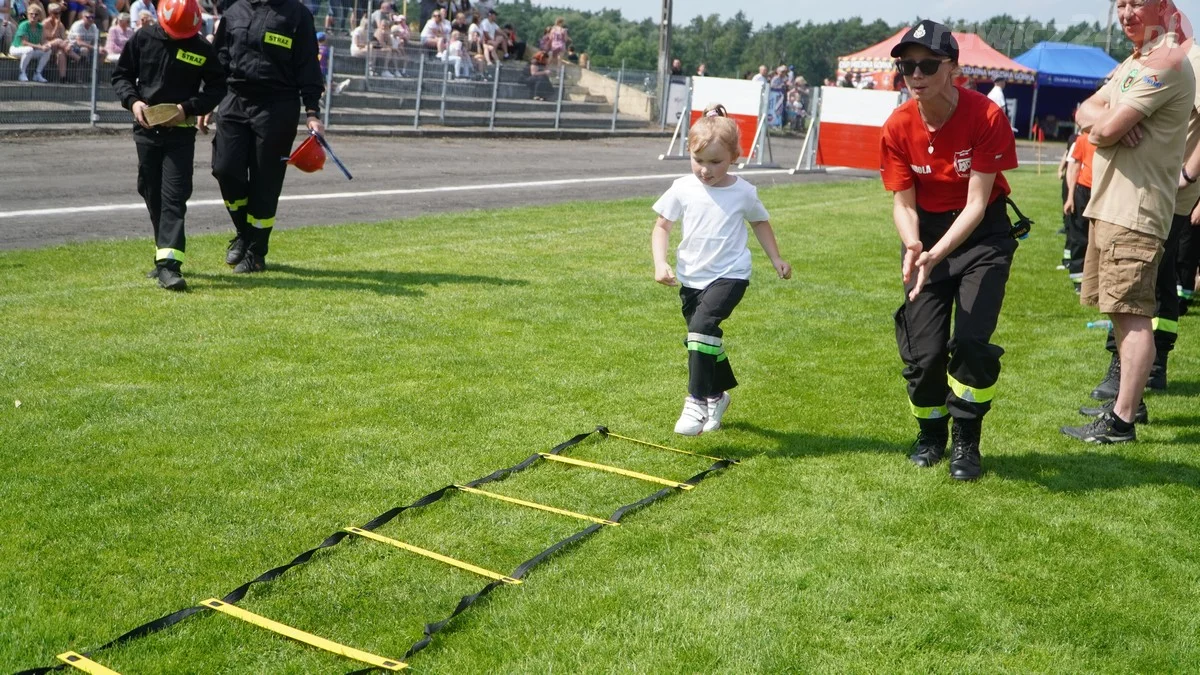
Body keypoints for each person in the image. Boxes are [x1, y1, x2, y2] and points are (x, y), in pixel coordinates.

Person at [880, 20, 1020, 481]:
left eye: (926, 64)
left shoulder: (986, 116)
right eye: (906, 66)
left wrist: (935, 253)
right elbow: (903, 204)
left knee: (972, 343)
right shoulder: (898, 126)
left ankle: (965, 441)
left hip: (981, 235)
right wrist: (914, 242)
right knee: (923, 352)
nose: (914, 74)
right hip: (927, 234)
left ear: (953, 68)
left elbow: (978, 204)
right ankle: (930, 434)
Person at [1061, 0, 1195, 443]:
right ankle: (1127, 404)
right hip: (1111, 205)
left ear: (1162, 5)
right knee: (1120, 313)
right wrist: (1102, 120)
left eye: (1136, 2)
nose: (1125, 13)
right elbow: (1087, 112)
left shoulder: (1168, 61)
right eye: (1119, 4)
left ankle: (1121, 421)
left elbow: (1100, 130)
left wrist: (1104, 124)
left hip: (1134, 209)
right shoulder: (1134, 61)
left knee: (1134, 314)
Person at [651, 104, 792, 436]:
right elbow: (661, 227)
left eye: (715, 162)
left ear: (735, 157)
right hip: (690, 276)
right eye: (699, 161)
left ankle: (697, 400)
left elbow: (759, 221)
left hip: (731, 274)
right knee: (702, 340)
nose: (705, 170)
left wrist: (776, 259)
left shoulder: (743, 191)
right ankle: (717, 394)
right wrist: (660, 262)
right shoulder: (682, 188)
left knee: (701, 328)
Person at [112, 0, 225, 290]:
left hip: (180, 135)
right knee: (150, 192)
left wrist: (187, 108)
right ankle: (163, 253)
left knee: (174, 195)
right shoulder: (143, 38)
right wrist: (133, 102)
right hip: (146, 132)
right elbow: (122, 75)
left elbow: (217, 87)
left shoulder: (200, 48)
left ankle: (169, 266)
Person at [209, 0, 324, 273]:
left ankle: (256, 252)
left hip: (277, 105)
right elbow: (220, 59)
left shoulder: (298, 15)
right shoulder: (235, 11)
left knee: (266, 181)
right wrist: (206, 101)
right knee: (225, 169)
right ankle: (243, 233)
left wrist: (312, 112)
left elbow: (308, 65)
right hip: (234, 100)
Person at [1063, 131, 1095, 293]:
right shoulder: (1083, 139)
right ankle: (1078, 278)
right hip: (1083, 190)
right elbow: (1074, 168)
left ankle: (1093, 279)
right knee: (1079, 235)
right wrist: (1070, 197)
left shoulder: (1115, 136)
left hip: (1102, 191)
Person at [8, 3, 50, 82]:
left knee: (48, 50)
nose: (33, 16)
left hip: (31, 50)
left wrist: (47, 45)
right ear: (28, 15)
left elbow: (43, 41)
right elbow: (24, 43)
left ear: (39, 16)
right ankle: (22, 73)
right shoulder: (23, 25)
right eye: (31, 14)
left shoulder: (40, 27)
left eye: (36, 14)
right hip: (16, 49)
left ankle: (37, 73)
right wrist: (40, 47)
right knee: (29, 49)